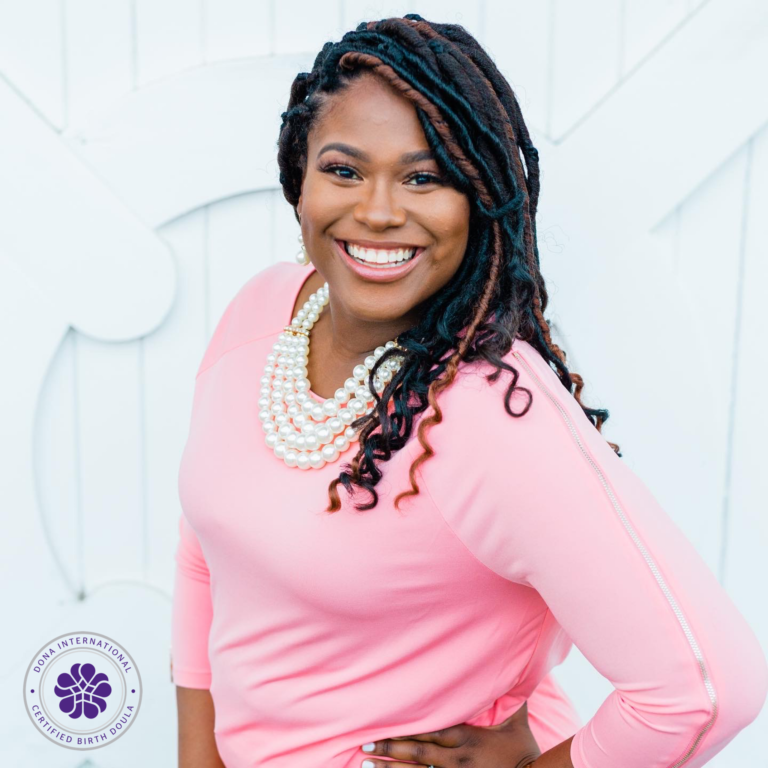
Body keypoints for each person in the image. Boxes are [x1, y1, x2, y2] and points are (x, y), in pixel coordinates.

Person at [170, 14, 768, 768]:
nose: (379, 211)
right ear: (299, 179)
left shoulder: (492, 414)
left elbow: (705, 689)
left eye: (425, 177)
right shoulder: (261, 311)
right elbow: (208, 550)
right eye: (344, 170)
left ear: (480, 201)